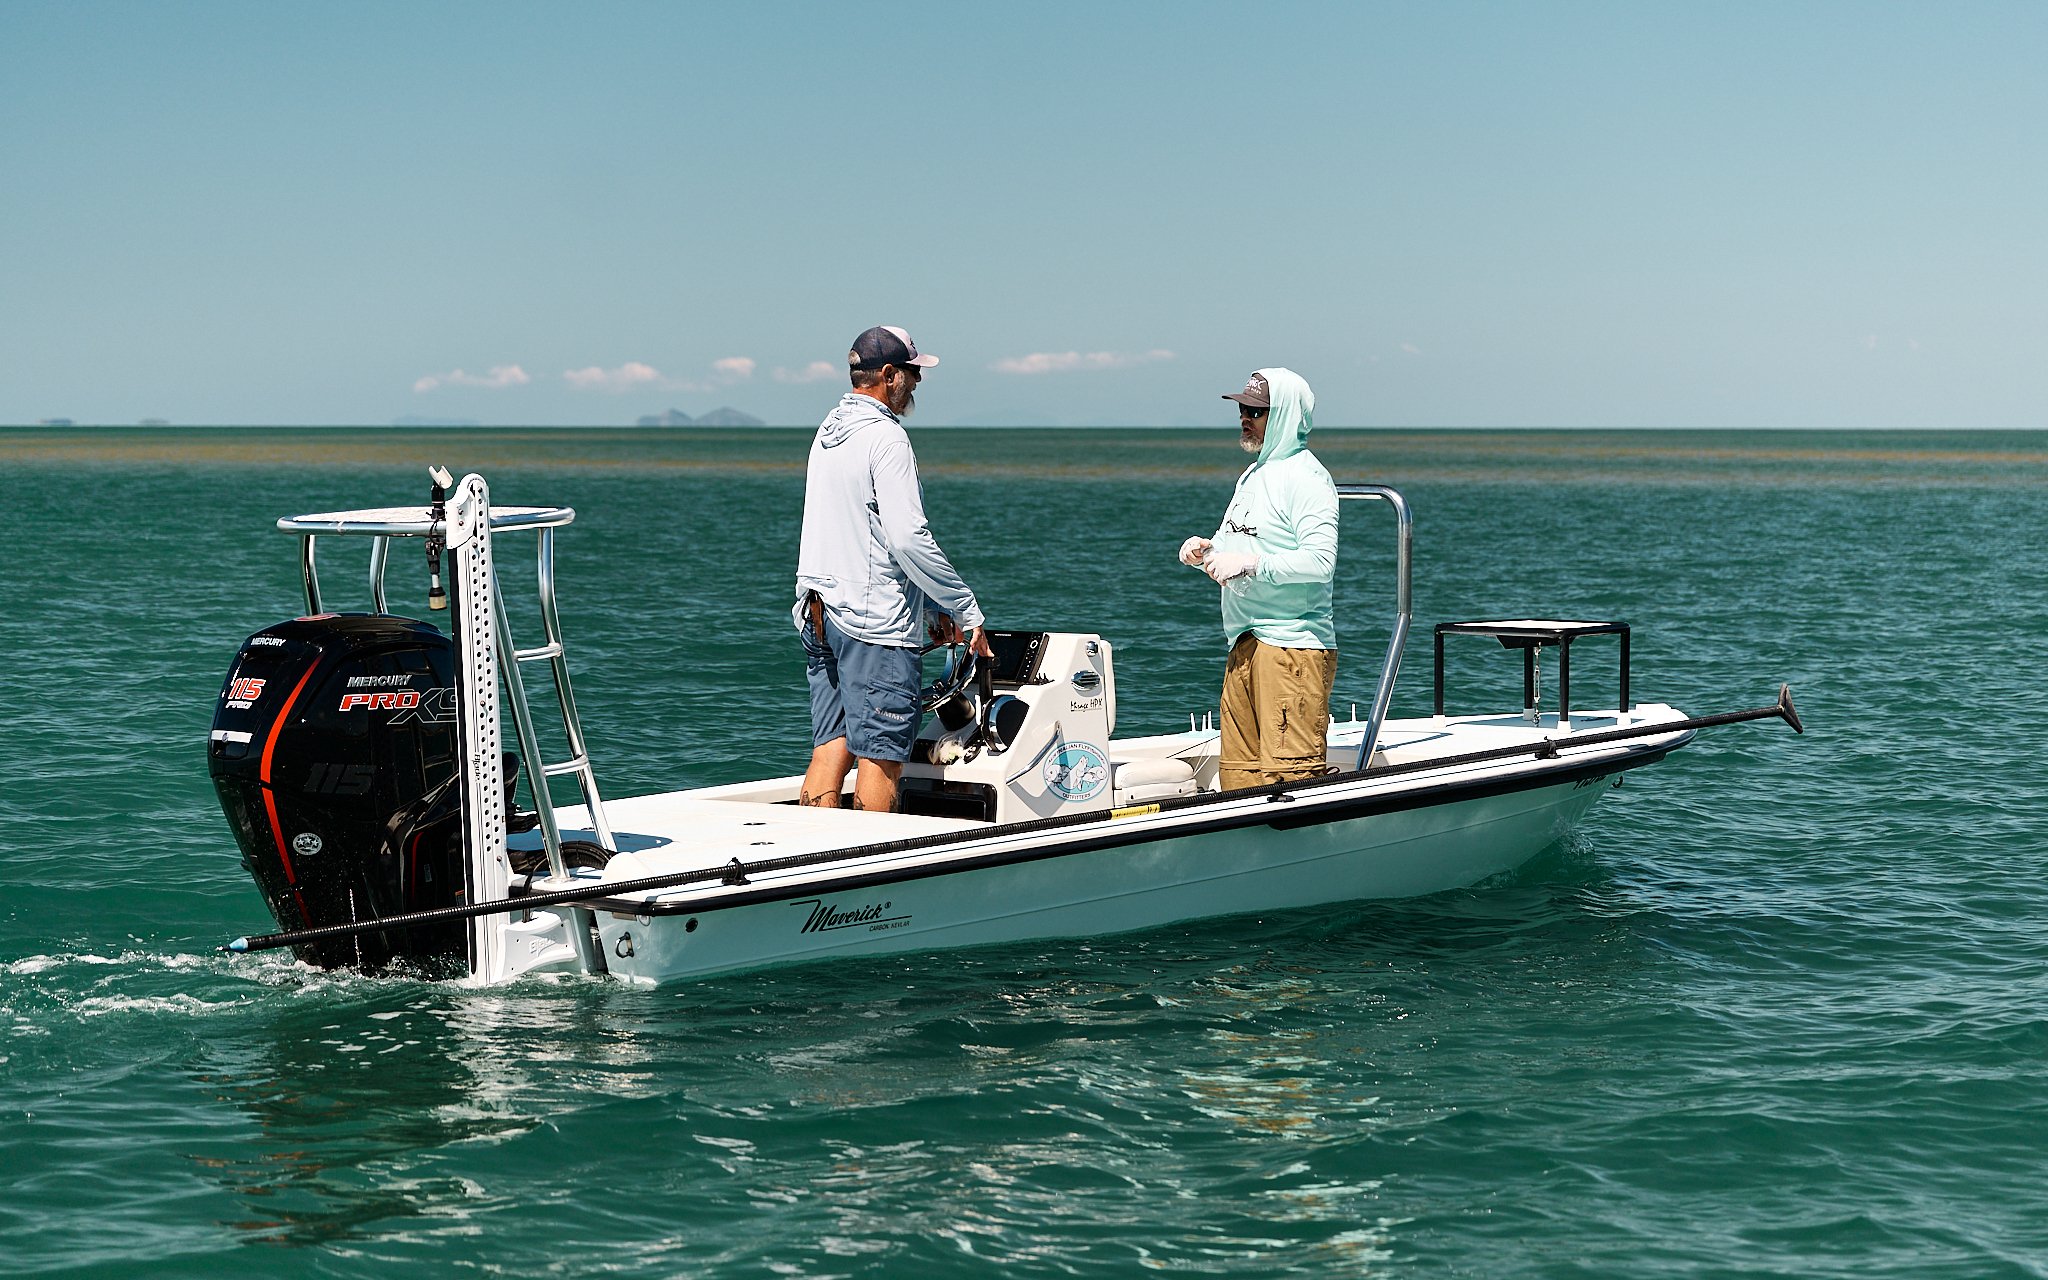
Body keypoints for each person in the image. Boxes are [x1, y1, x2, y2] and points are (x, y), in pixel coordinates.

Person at [793, 325, 993, 811]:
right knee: (881, 756)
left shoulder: (829, 431)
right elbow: (905, 538)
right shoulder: (887, 439)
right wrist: (965, 609)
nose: (918, 383)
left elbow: (861, 533)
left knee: (831, 743)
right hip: (874, 626)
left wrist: (928, 611)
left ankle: (810, 860)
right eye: (912, 372)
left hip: (818, 611)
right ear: (887, 374)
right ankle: (863, 874)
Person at [1178, 368, 1339, 791]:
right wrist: (1204, 552)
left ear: (1284, 415)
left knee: (1290, 782)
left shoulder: (1307, 478)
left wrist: (1250, 564)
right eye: (1242, 410)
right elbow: (1237, 541)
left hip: (1291, 648)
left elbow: (1320, 561)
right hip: (1244, 642)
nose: (1245, 418)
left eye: (1257, 411)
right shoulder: (1252, 475)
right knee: (1238, 782)